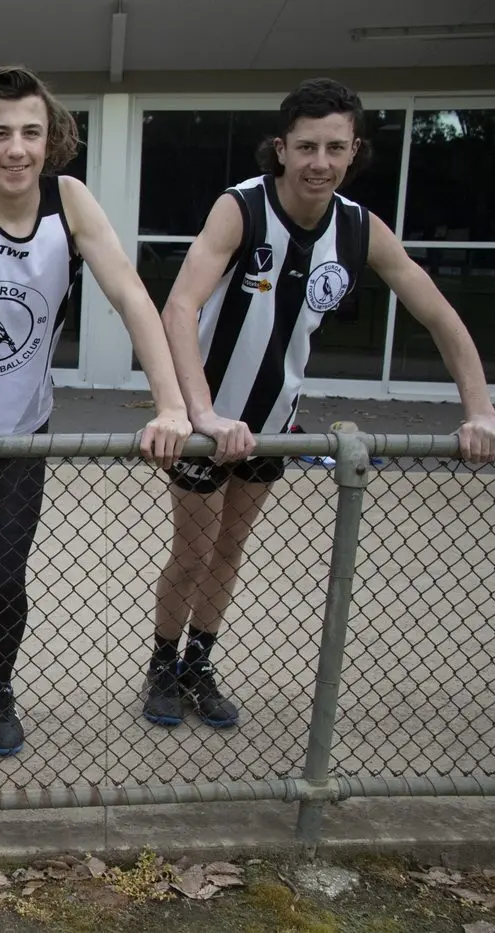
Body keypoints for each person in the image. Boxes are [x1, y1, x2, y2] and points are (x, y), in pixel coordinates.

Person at [145, 77, 495, 729]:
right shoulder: (240, 208)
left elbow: (439, 315)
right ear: (280, 148)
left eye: (335, 147)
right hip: (208, 419)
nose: (319, 162)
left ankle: (199, 661)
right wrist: (201, 414)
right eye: (305, 146)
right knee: (192, 551)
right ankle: (162, 666)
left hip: (272, 424)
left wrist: (480, 411)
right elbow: (180, 307)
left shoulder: (360, 228)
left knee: (229, 549)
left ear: (353, 149)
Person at [0, 65, 192, 756]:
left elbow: (131, 296)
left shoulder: (69, 201)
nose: (15, 148)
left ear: (49, 138)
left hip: (21, 424)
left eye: (29, 132)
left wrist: (170, 404)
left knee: (6, 567)